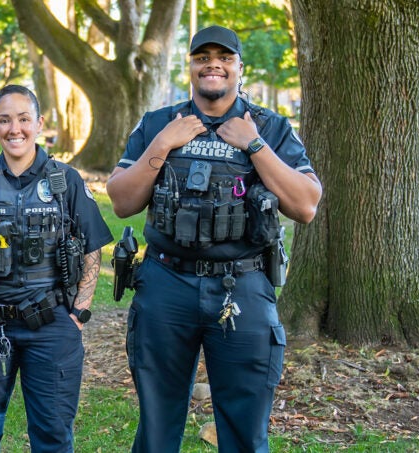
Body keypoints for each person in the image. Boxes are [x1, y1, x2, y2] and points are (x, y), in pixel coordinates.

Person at [106, 25, 322, 452]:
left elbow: (306, 205)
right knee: (156, 425)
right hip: (166, 285)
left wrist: (254, 145)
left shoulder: (270, 127)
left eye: (224, 57)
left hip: (241, 285)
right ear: (190, 66)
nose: (213, 64)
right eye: (202, 56)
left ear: (240, 68)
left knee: (244, 426)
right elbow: (122, 201)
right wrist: (164, 144)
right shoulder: (159, 123)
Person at [0, 84, 113, 452]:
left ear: (39, 123)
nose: (15, 129)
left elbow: (93, 250)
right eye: (4, 120)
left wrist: (78, 312)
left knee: (53, 436)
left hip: (52, 328)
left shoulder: (66, 182)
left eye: (23, 119)